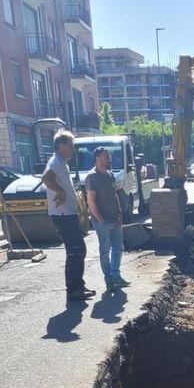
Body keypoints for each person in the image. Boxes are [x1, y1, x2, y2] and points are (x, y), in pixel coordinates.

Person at [42, 129, 95, 301]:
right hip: (63, 214)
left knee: (77, 250)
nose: (73, 149)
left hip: (67, 213)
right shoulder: (55, 162)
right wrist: (60, 192)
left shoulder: (61, 162)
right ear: (61, 146)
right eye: (70, 145)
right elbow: (46, 178)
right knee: (76, 250)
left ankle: (78, 285)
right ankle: (73, 289)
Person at [85, 147, 129, 292]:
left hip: (114, 217)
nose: (109, 159)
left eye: (109, 156)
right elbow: (91, 201)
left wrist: (119, 211)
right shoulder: (92, 177)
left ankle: (116, 275)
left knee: (118, 247)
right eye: (106, 157)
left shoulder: (110, 175)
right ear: (98, 159)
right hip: (101, 221)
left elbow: (114, 195)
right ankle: (109, 279)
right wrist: (101, 220)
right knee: (105, 250)